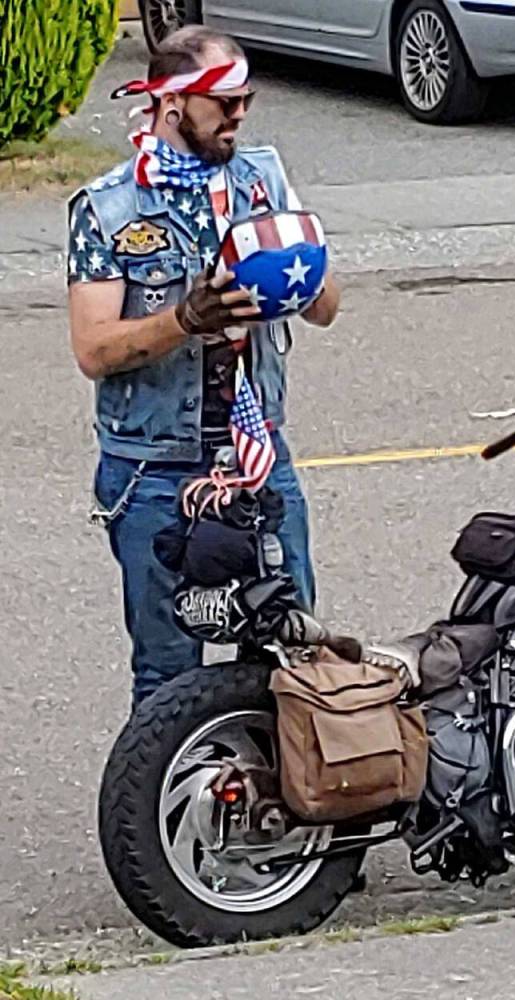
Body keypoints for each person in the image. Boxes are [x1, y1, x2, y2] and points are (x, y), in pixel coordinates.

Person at [68, 26, 341, 708]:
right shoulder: (109, 208)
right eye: (224, 102)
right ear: (172, 103)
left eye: (246, 99)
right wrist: (185, 319)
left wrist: (294, 261)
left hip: (257, 453)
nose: (239, 115)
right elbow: (94, 350)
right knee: (166, 675)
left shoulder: (262, 179)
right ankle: (166, 781)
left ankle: (277, 778)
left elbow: (326, 307)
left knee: (294, 658)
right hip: (153, 466)